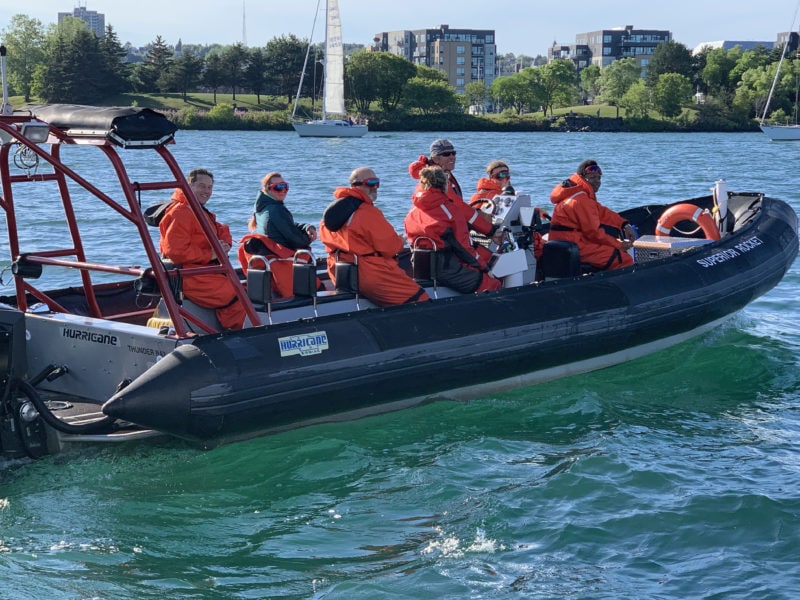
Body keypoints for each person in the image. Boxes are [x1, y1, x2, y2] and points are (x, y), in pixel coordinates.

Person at [319, 167, 429, 306]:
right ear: (356, 185)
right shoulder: (366, 212)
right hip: (369, 274)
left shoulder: (332, 212)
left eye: (377, 182)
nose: (375, 187)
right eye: (371, 183)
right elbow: (390, 247)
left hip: (339, 272)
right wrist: (400, 241)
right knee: (419, 298)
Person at [159, 168, 246, 330]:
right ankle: (238, 334)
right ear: (188, 186)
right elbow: (175, 252)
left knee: (244, 288)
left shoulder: (197, 210)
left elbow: (219, 229)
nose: (207, 191)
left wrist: (223, 245)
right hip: (190, 276)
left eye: (209, 187)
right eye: (201, 186)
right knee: (235, 295)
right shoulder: (181, 212)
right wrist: (210, 254)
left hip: (204, 272)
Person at [405, 166, 502, 294]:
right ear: (445, 185)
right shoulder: (450, 211)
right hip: (447, 269)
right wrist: (485, 268)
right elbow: (464, 247)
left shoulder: (412, 212)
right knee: (493, 283)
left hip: (421, 268)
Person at [238, 172, 319, 298]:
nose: (283, 191)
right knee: (319, 285)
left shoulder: (262, 209)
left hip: (269, 263)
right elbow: (296, 240)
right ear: (267, 189)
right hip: (283, 263)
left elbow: (286, 225)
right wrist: (308, 238)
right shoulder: (276, 210)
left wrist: (306, 227)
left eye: (285, 186)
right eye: (278, 187)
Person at [548, 159, 635, 271]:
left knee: (612, 249)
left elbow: (602, 212)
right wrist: (619, 245)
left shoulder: (575, 193)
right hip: (575, 244)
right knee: (623, 258)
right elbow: (594, 234)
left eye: (599, 178)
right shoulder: (581, 200)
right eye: (593, 178)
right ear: (583, 178)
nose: (598, 181)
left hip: (567, 242)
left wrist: (624, 225)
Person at [408, 139, 499, 242]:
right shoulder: (438, 180)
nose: (452, 157)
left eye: (453, 153)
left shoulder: (437, 175)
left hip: (438, 233)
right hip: (445, 236)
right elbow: (458, 207)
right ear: (436, 158)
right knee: (482, 255)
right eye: (446, 154)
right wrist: (490, 230)